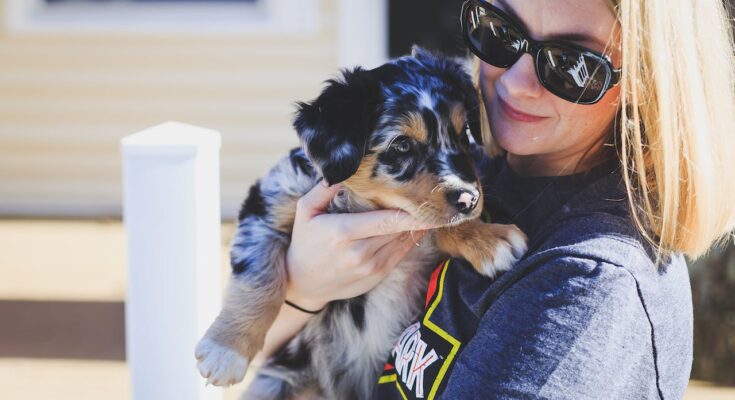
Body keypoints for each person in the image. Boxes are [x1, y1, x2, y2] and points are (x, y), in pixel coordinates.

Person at [252, 0, 735, 398]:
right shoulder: (473, 174)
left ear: (646, 83)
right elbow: (257, 360)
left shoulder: (585, 283)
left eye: (571, 65)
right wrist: (302, 291)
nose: (516, 84)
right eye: (500, 33)